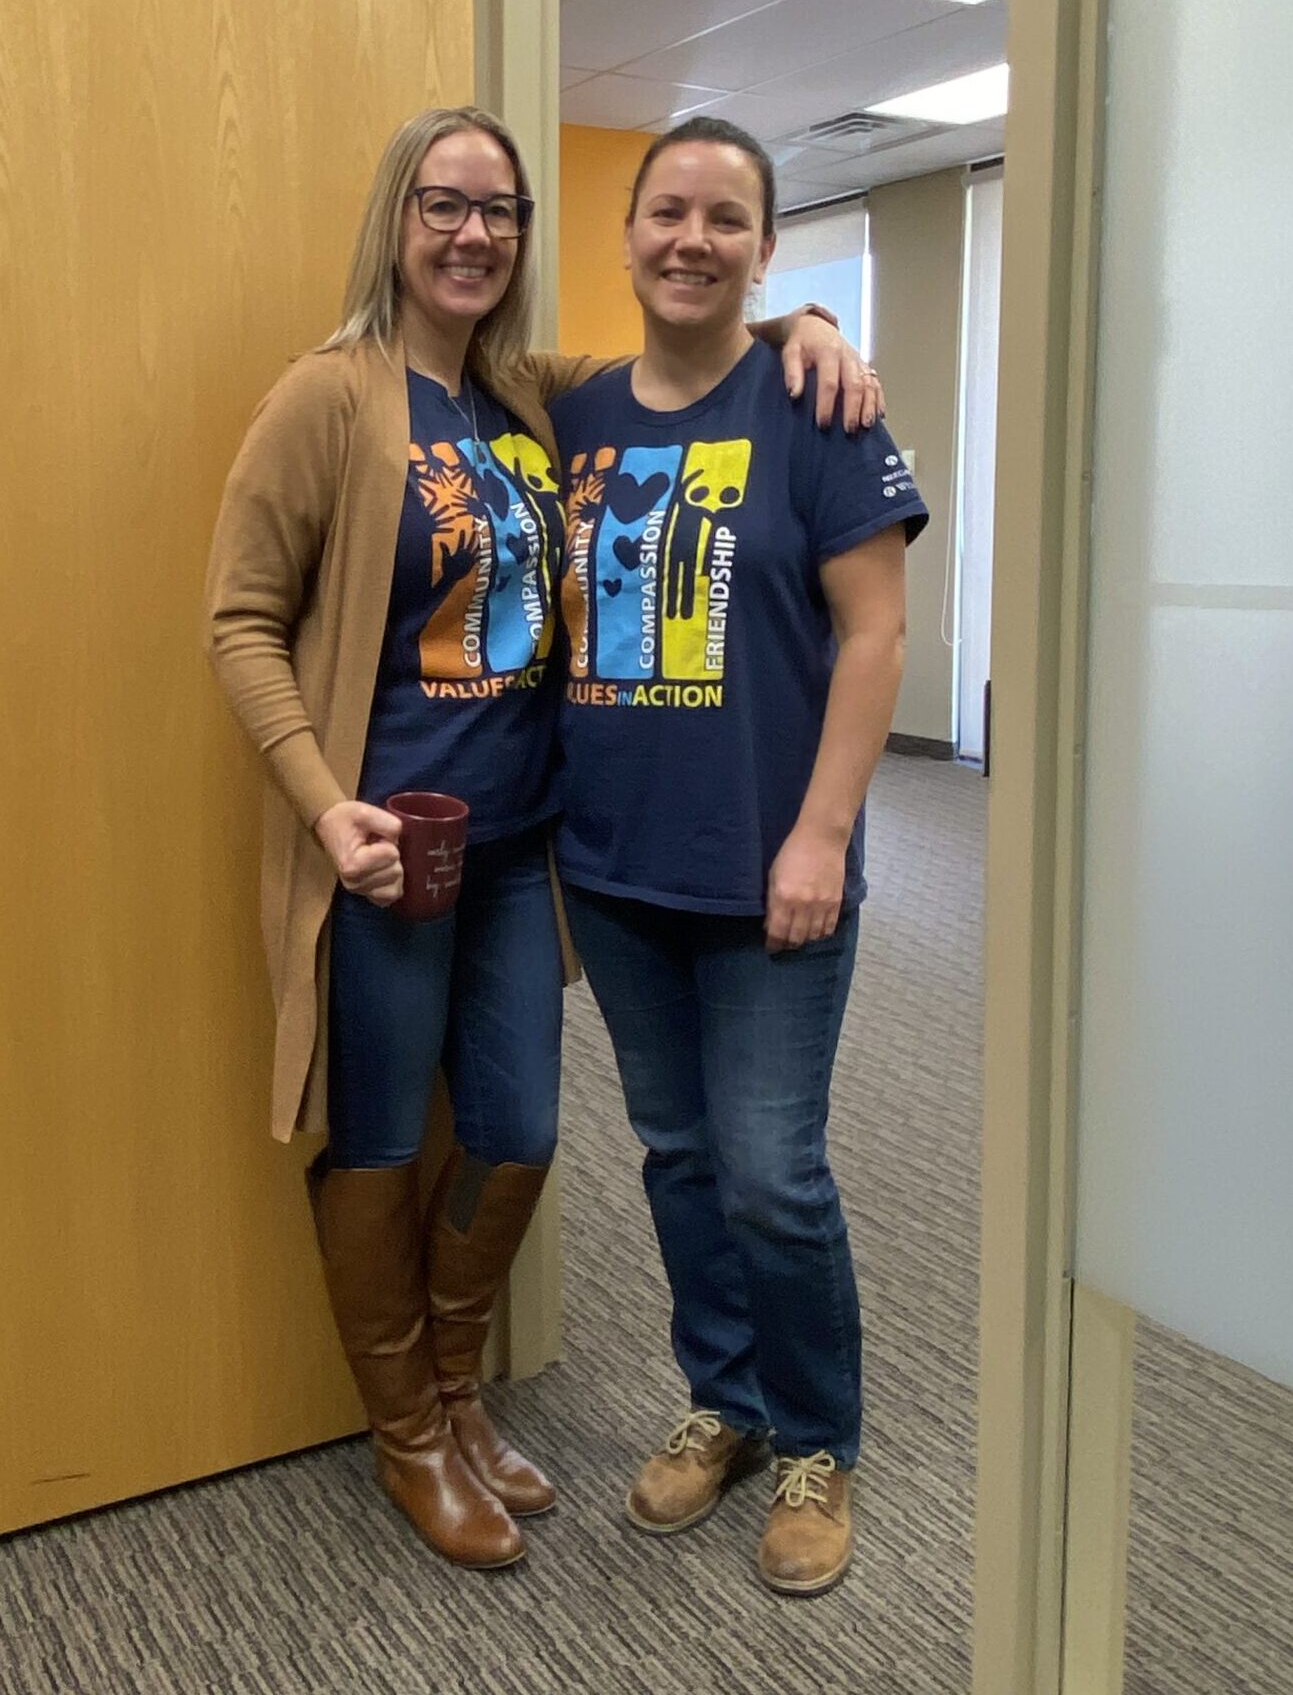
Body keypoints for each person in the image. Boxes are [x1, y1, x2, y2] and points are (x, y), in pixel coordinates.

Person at [204, 106, 877, 1571]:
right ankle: (408, 1434)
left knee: (515, 1133)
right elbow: (240, 620)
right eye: (444, 205)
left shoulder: (530, 396)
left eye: (501, 210)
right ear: (397, 218)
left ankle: (455, 1390)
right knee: (381, 1138)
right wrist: (328, 807)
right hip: (383, 853)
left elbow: (698, 361)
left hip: (519, 856)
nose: (473, 234)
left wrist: (812, 320)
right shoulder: (330, 396)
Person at [552, 114, 928, 1597]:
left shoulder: (815, 406)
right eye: (665, 212)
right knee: (678, 1160)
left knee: (773, 1171)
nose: (689, 239)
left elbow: (877, 631)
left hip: (776, 864)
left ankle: (819, 1439)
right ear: (627, 233)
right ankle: (726, 1400)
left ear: (765, 250)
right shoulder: (577, 414)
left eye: (725, 219)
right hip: (617, 862)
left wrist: (823, 833)